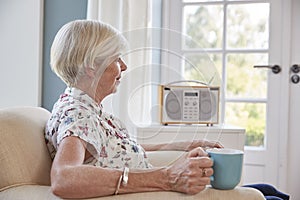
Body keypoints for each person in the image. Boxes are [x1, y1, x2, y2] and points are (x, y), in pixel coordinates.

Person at [45, 19, 223, 199]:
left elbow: (113, 151)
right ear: (91, 66)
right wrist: (168, 177)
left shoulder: (86, 110)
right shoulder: (78, 114)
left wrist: (182, 145)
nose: (124, 66)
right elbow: (63, 178)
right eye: (116, 59)